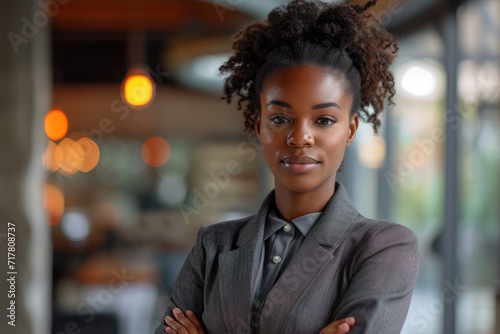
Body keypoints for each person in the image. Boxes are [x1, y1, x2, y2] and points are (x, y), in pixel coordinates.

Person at [154, 0, 419, 333]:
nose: (300, 137)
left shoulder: (384, 247)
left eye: (324, 120)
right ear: (258, 123)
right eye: (280, 118)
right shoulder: (214, 244)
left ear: (350, 130)